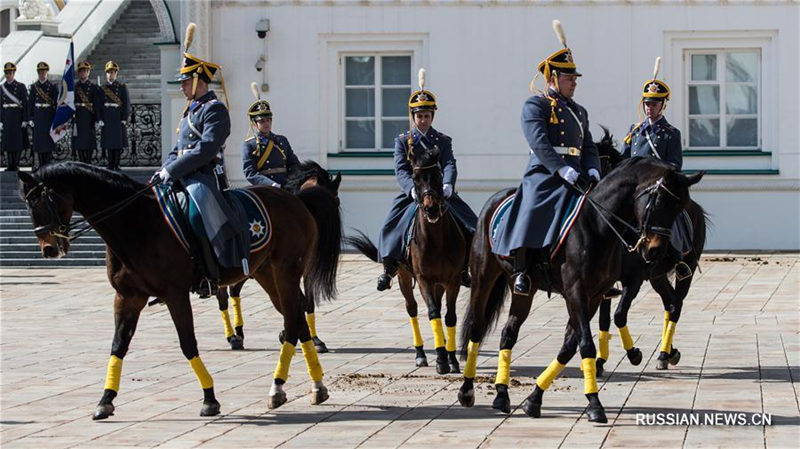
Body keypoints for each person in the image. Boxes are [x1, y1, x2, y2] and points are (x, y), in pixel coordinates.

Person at [491, 20, 601, 295]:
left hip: (578, 173)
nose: (574, 83)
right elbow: (538, 142)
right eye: (569, 78)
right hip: (545, 173)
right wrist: (560, 169)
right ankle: (523, 268)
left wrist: (593, 169)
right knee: (533, 206)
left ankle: (600, 272)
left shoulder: (580, 111)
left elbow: (588, 146)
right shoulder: (535, 105)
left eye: (575, 78)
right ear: (553, 79)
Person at [153, 23, 248, 298]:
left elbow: (205, 149)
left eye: (185, 82)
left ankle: (209, 274)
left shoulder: (215, 110)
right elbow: (178, 149)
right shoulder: (189, 112)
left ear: (198, 81)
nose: (181, 88)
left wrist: (173, 170)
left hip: (204, 177)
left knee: (196, 214)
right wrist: (164, 171)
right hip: (183, 174)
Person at [376, 69, 478, 291]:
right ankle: (389, 267)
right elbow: (401, 168)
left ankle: (464, 269)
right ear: (413, 116)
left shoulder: (442, 141)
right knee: (391, 224)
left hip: (439, 191)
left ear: (432, 117)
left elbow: (450, 163)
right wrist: (410, 190)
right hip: (415, 192)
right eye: (419, 116)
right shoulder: (403, 142)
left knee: (472, 223)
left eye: (427, 116)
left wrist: (448, 184)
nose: (423, 120)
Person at [622, 57, 692, 279]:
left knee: (673, 214)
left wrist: (656, 175)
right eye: (646, 103)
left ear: (663, 105)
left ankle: (679, 256)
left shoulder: (671, 133)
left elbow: (675, 165)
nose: (649, 107)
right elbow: (624, 161)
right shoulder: (634, 132)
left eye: (654, 103)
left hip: (658, 187)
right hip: (635, 187)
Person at [242, 85, 299, 188]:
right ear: (254, 124)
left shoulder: (282, 140)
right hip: (266, 188)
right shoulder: (250, 145)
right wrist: (272, 185)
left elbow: (294, 163)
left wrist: (291, 181)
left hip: (287, 186)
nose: (266, 123)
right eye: (262, 121)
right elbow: (250, 173)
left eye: (268, 120)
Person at [99, 61, 130, 171]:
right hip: (107, 116)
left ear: (116, 73)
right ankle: (110, 163)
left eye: (112, 72)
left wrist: (124, 118)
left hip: (117, 116)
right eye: (108, 72)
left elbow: (126, 103)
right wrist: (100, 118)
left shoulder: (121, 87)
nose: (110, 74)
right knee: (108, 142)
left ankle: (116, 163)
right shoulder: (102, 88)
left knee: (117, 143)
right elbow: (99, 105)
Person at [28, 61, 58, 169]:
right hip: (38, 117)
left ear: (47, 72)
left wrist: (56, 119)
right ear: (38, 73)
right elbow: (30, 104)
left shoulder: (53, 86)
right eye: (40, 72)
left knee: (48, 143)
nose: (42, 74)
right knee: (39, 144)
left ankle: (48, 167)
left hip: (48, 117)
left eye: (44, 71)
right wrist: (30, 118)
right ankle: (41, 166)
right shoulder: (34, 87)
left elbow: (56, 104)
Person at [1, 62, 30, 171]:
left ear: (14, 73)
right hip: (7, 117)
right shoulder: (2, 88)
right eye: (7, 73)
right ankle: (10, 165)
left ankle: (16, 165)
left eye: (10, 73)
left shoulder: (20, 86)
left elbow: (25, 105)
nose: (8, 75)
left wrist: (25, 119)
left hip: (17, 117)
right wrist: (0, 120)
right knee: (8, 142)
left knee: (17, 142)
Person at [73, 61, 103, 164]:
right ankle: (82, 163)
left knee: (89, 141)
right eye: (81, 71)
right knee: (79, 142)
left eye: (85, 71)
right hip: (78, 117)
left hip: (89, 117)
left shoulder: (93, 87)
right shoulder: (74, 87)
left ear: (88, 72)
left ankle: (88, 163)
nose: (82, 73)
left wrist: (98, 119)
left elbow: (96, 104)